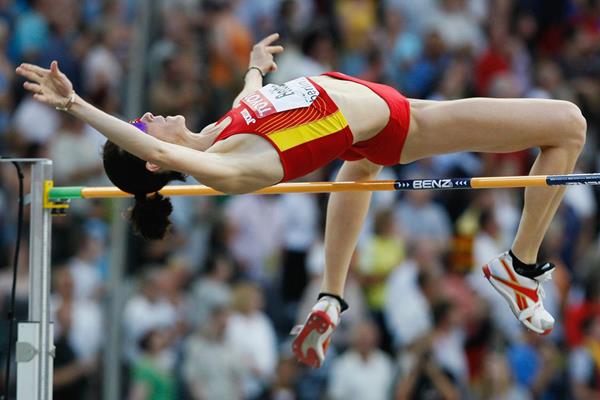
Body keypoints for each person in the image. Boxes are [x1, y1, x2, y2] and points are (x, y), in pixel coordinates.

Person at [16, 32, 587, 368]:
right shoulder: (220, 167)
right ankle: (518, 267)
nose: (154, 115)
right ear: (153, 160)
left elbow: (253, 101)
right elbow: (141, 139)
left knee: (357, 171)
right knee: (568, 124)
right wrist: (78, 108)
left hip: (370, 118)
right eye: (147, 126)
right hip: (405, 123)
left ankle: (332, 297)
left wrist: (254, 68)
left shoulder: (215, 135)